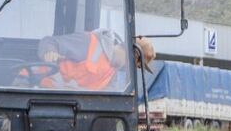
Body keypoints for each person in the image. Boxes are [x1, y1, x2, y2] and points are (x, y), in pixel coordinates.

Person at [27, 30, 156, 90]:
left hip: (65, 105)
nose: (133, 70)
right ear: (134, 55)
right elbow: (49, 41)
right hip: (32, 87)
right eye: (137, 66)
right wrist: (49, 52)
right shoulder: (89, 43)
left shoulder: (112, 75)